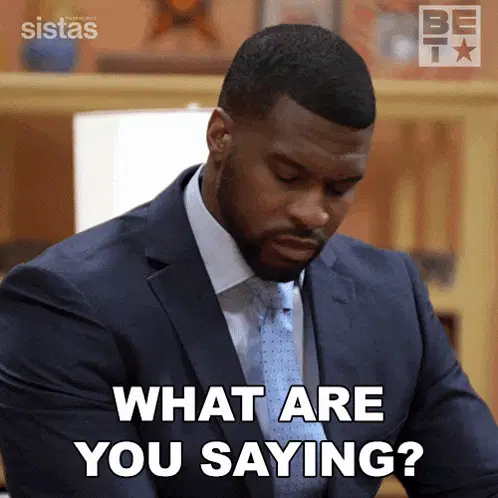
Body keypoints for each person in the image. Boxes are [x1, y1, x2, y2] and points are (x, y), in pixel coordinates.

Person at [0, 23, 497, 498]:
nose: (314, 213)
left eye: (341, 188)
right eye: (287, 177)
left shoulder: (389, 295)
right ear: (220, 136)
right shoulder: (66, 305)